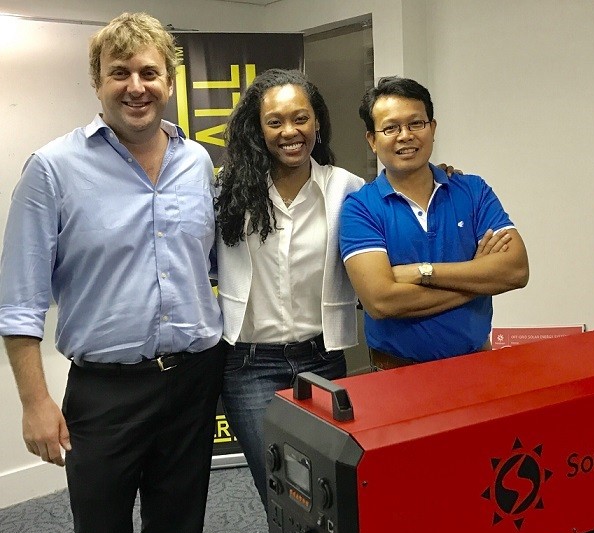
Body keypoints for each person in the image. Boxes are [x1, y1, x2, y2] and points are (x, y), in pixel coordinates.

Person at [0, 13, 223, 533]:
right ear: (97, 83)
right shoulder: (52, 170)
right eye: (119, 73)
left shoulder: (198, 163)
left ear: (169, 82)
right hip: (106, 393)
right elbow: (19, 300)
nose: (135, 87)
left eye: (149, 72)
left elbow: (215, 264)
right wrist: (35, 402)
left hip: (193, 383)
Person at [215, 68, 364, 510]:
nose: (290, 131)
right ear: (258, 129)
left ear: (317, 121)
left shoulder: (346, 188)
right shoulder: (229, 192)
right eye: (275, 121)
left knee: (329, 493)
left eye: (300, 118)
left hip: (323, 359)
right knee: (283, 495)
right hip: (250, 365)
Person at [339, 76, 529, 369]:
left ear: (433, 128)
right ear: (372, 141)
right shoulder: (360, 208)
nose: (405, 135)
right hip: (397, 375)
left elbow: (516, 270)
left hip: (477, 365)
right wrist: (479, 280)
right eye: (391, 128)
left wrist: (421, 272)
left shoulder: (473, 191)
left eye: (416, 123)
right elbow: (381, 301)